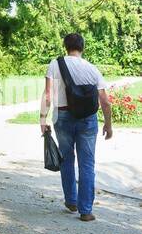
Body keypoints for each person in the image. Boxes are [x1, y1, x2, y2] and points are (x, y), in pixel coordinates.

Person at [39, 32, 113, 221]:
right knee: (87, 164)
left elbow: (48, 95)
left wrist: (42, 119)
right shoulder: (92, 69)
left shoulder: (55, 64)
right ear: (82, 47)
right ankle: (86, 211)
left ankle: (71, 201)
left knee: (67, 159)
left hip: (62, 117)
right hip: (88, 120)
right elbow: (105, 101)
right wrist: (108, 124)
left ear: (66, 47)